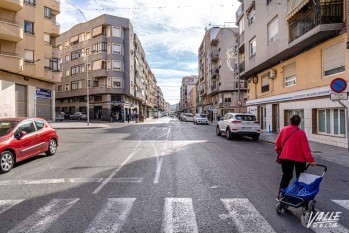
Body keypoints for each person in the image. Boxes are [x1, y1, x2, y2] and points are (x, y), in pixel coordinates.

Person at [275, 114, 316, 196]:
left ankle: (281, 193)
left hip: (285, 157)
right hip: (299, 159)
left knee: (286, 176)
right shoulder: (301, 133)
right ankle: (300, 195)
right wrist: (311, 160)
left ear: (290, 121)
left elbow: (277, 144)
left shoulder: (284, 130)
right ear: (299, 123)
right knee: (300, 177)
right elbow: (305, 148)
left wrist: (279, 151)